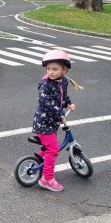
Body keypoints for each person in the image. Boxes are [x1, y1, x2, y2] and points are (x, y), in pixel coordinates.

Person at [32, 50, 79, 192]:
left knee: (49, 144)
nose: (50, 72)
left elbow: (62, 96)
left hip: (52, 121)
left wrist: (68, 104)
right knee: (53, 149)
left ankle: (40, 159)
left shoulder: (63, 81)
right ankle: (47, 179)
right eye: (48, 69)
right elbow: (47, 103)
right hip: (43, 122)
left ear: (64, 70)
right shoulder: (46, 85)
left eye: (54, 69)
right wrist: (60, 113)